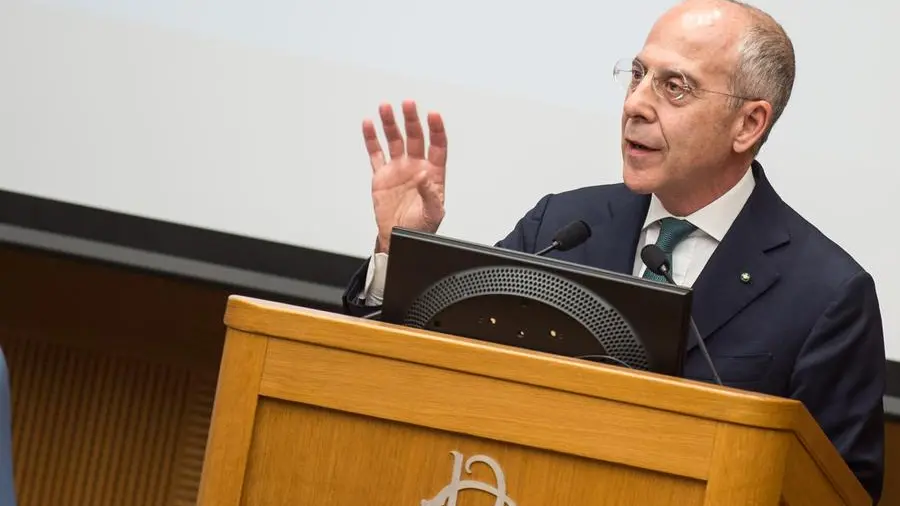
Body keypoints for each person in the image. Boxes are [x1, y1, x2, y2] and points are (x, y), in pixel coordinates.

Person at [341, 0, 886, 500]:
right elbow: (433, 375)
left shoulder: (827, 296)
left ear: (748, 124)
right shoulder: (561, 225)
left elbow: (836, 492)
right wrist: (398, 249)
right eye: (638, 74)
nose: (636, 104)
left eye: (675, 87)